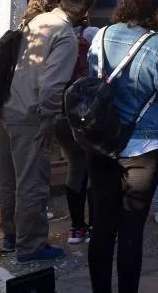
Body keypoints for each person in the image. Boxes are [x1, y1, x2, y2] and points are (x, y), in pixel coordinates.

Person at [86, 0, 158, 293]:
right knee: (130, 230)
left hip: (101, 142)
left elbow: (92, 84)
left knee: (102, 226)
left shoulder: (100, 36)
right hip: (144, 147)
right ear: (157, 6)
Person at [0, 0, 96, 261]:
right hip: (29, 114)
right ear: (86, 11)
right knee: (32, 183)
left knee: (9, 178)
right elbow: (52, 85)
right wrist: (49, 118)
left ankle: (12, 235)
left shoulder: (37, 19)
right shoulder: (64, 34)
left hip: (5, 106)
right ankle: (31, 246)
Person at [57, 24, 99, 245]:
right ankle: (93, 227)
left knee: (75, 168)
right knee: (93, 169)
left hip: (62, 114)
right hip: (87, 114)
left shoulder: (56, 45)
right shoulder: (90, 46)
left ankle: (76, 228)